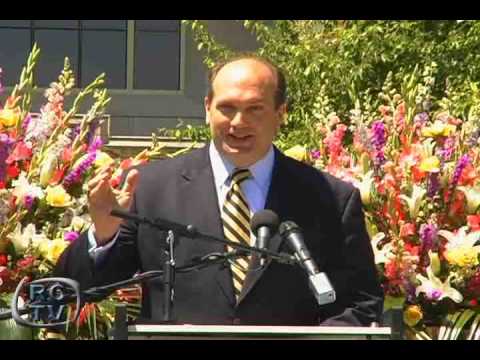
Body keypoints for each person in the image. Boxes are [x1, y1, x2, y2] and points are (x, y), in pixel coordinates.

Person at [54, 55, 383, 326]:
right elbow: (74, 290)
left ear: (280, 113)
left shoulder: (331, 198)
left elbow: (360, 305)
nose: (238, 122)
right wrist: (104, 234)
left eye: (255, 109)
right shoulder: (151, 187)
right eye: (227, 108)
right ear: (207, 108)